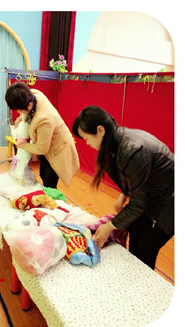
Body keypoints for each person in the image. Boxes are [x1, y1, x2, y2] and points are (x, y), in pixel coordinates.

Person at [72, 106, 174, 270]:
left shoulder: (132, 150)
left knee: (145, 249)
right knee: (135, 233)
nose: (88, 143)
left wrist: (109, 226)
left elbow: (139, 203)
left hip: (169, 200)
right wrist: (123, 195)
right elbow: (136, 179)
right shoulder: (115, 142)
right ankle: (135, 275)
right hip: (152, 194)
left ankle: (142, 281)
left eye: (86, 138)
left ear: (100, 130)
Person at [5, 81, 80, 189]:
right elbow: (26, 114)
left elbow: (42, 148)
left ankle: (51, 198)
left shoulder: (44, 119)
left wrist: (22, 145)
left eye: (19, 110)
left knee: (49, 181)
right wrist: (21, 118)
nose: (18, 112)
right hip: (47, 144)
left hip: (58, 149)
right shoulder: (32, 95)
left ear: (29, 105)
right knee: (43, 173)